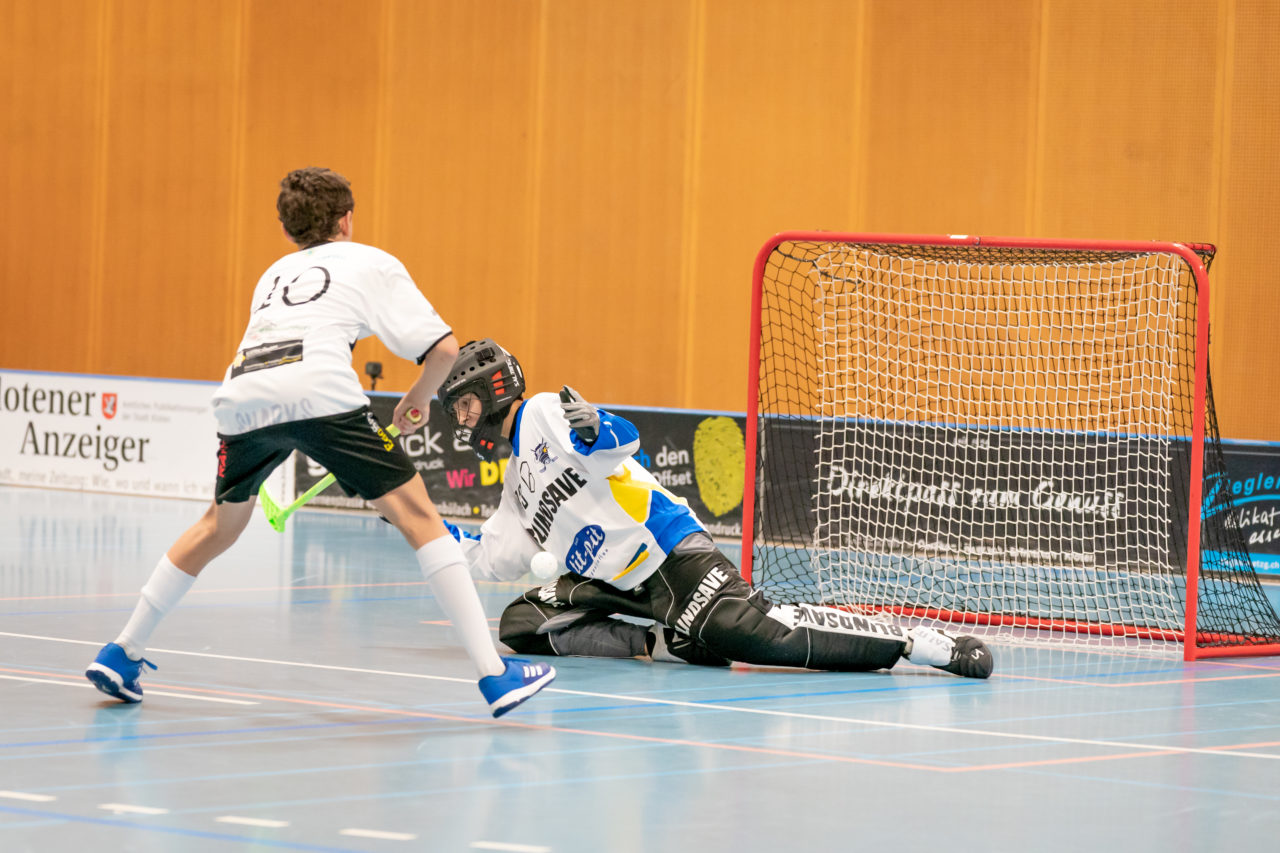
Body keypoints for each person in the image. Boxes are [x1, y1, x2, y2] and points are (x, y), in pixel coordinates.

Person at [85, 168, 555, 717]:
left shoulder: (272, 274)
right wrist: (418, 399)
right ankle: (495, 675)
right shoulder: (370, 261)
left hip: (242, 396)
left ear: (288, 232)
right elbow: (444, 350)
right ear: (347, 219)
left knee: (218, 525)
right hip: (319, 394)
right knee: (420, 520)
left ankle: (123, 651)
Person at [434, 339, 993, 679]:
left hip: (669, 555)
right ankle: (667, 642)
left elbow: (622, 440)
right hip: (613, 583)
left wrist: (595, 428)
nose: (462, 420)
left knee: (757, 634)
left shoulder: (542, 413)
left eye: (464, 405)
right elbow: (496, 558)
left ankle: (919, 644)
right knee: (521, 622)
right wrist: (432, 534)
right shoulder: (515, 488)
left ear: (494, 389)